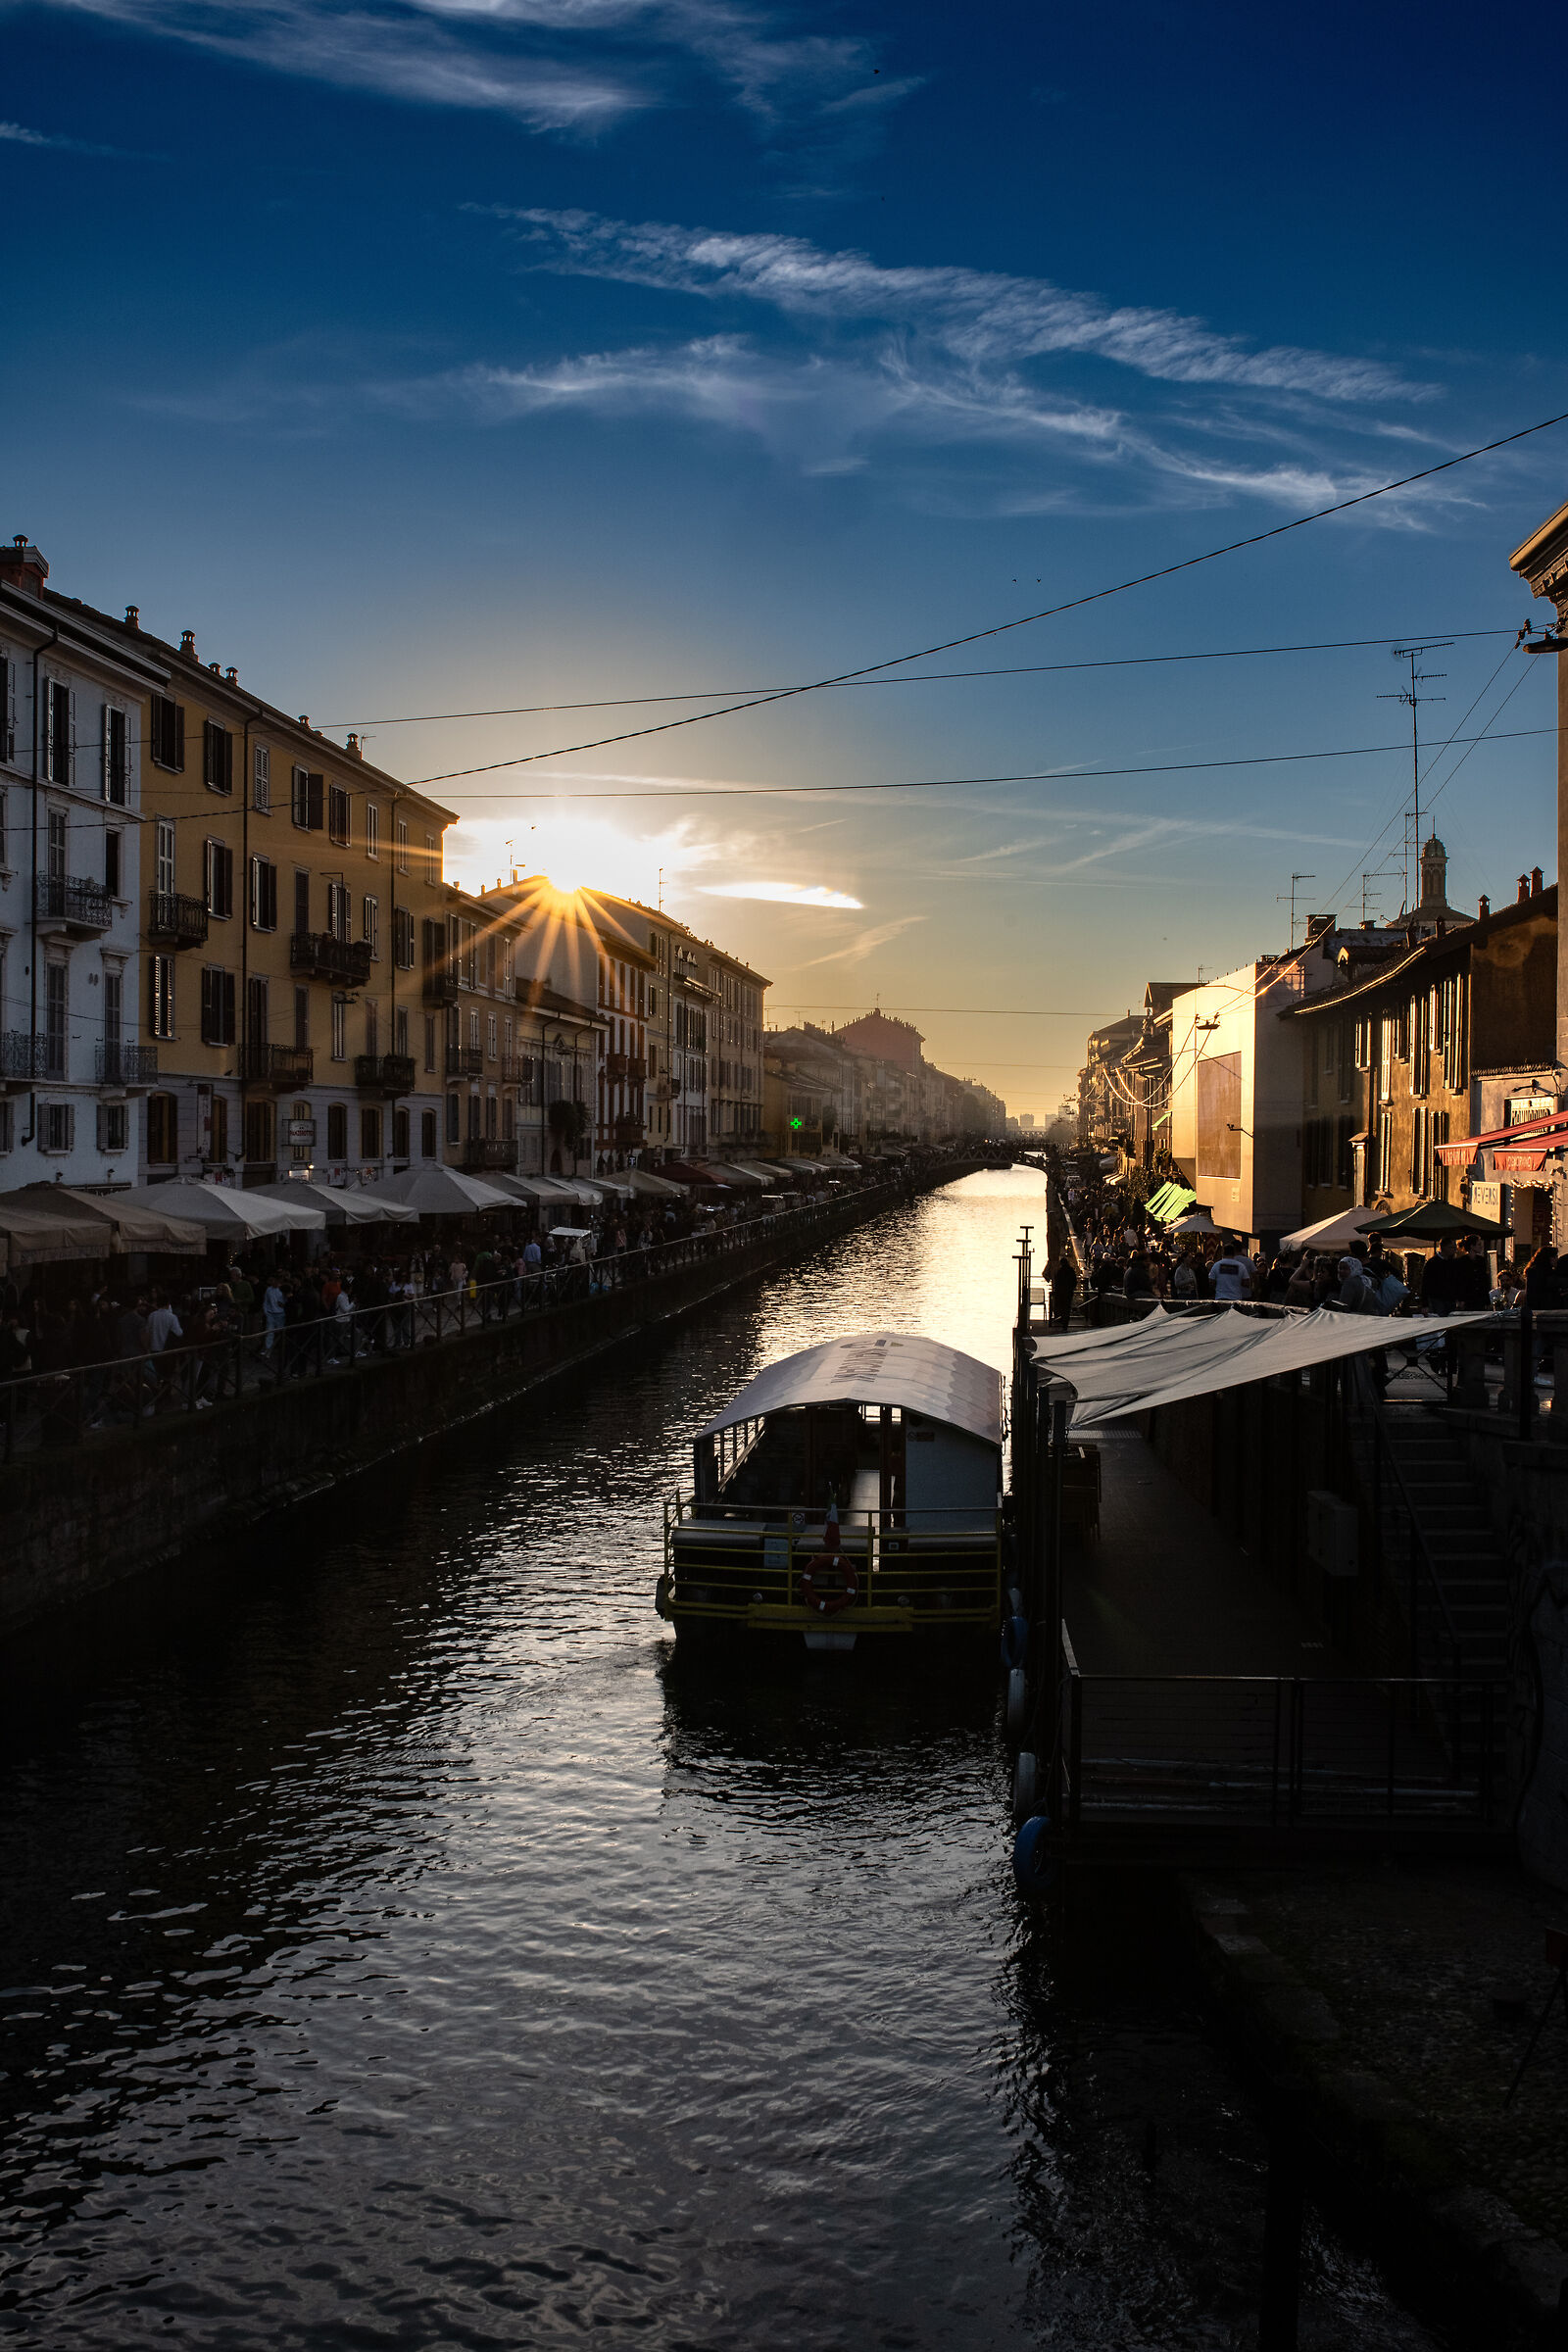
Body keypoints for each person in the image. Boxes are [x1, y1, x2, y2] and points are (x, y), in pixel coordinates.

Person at [1048, 1250, 1078, 1327]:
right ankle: (1066, 1322)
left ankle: (1061, 1320)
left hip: (1061, 1292)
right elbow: (1074, 1281)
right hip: (1069, 1292)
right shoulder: (1071, 1270)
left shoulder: (1060, 1271)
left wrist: (1057, 1290)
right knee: (1067, 1307)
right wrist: (1072, 1288)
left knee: (1061, 1307)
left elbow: (1057, 1282)